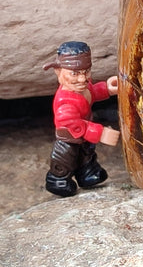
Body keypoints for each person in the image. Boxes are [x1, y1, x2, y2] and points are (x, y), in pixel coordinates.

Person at [42, 41, 120, 197]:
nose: (82, 78)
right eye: (74, 73)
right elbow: (73, 125)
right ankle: (58, 180)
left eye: (87, 71)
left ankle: (88, 174)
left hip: (85, 137)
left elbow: (92, 92)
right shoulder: (65, 101)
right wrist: (101, 133)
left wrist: (107, 88)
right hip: (69, 139)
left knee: (87, 155)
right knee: (65, 160)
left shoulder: (83, 86)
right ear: (58, 71)